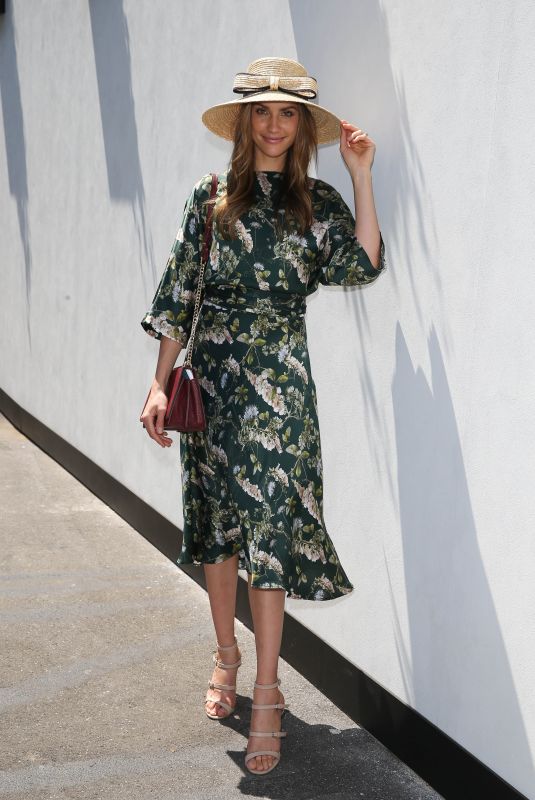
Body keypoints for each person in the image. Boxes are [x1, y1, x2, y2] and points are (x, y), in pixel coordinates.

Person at [139, 56, 386, 776]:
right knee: (216, 531)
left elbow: (360, 266)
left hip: (281, 384)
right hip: (211, 383)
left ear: (300, 126)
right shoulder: (209, 197)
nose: (274, 124)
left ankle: (269, 695)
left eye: (286, 113)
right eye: (262, 111)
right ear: (245, 121)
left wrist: (362, 174)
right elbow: (178, 295)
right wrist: (159, 386)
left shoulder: (318, 201)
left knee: (271, 533)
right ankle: (225, 655)